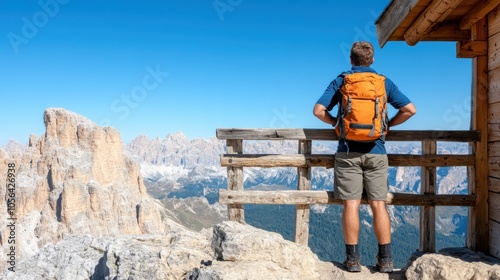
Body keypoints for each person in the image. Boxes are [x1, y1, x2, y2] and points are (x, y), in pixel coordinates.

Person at [312, 41, 416, 273]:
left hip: (348, 151)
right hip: (377, 151)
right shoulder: (383, 82)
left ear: (351, 60)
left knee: (351, 204)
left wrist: (336, 123)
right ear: (372, 61)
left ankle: (352, 260)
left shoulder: (342, 80)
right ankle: (386, 260)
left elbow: (318, 111)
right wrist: (387, 125)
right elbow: (410, 109)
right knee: (379, 204)